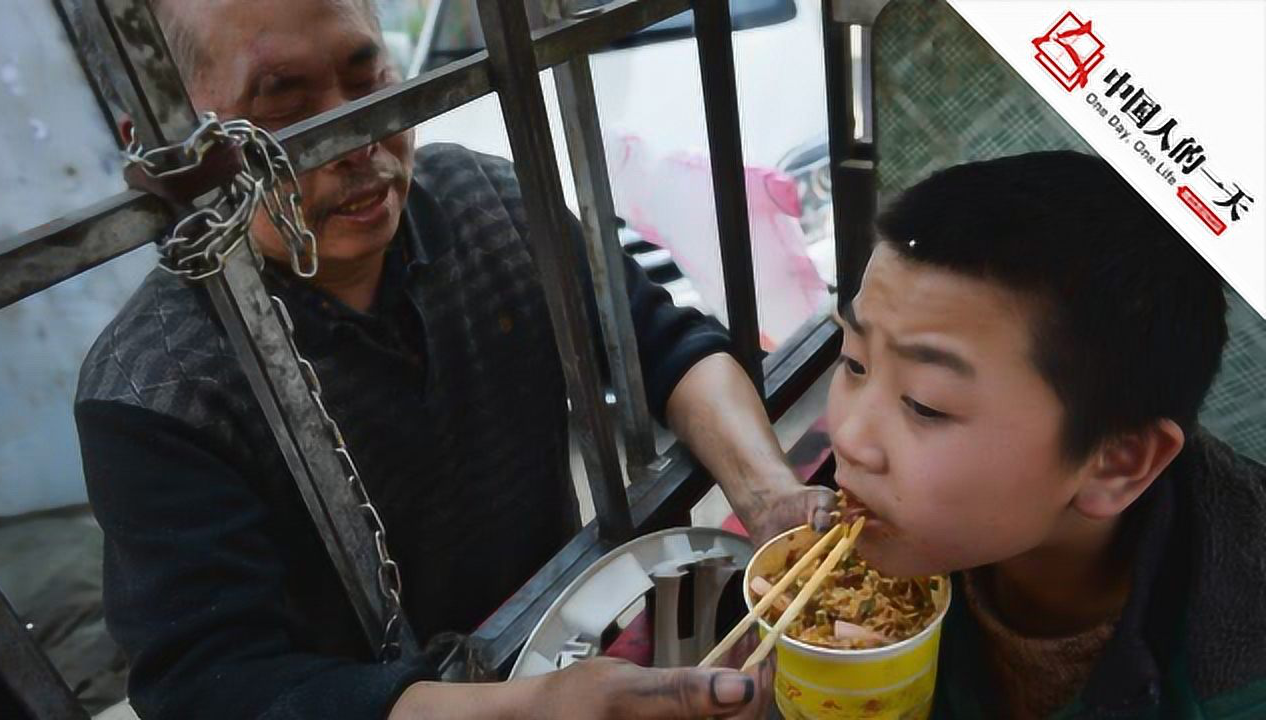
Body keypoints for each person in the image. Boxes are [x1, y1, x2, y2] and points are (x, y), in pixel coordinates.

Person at [75, 1, 833, 718]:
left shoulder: (488, 201)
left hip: (570, 650)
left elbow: (663, 343)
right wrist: (520, 709)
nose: (354, 141)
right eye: (282, 103)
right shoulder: (155, 387)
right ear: (167, 156)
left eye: (365, 78)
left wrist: (768, 495)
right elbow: (213, 683)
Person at [825, 150, 1266, 718]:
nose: (851, 438)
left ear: (1117, 462)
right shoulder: (886, 543)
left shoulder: (1238, 682)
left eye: (925, 404)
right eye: (854, 363)